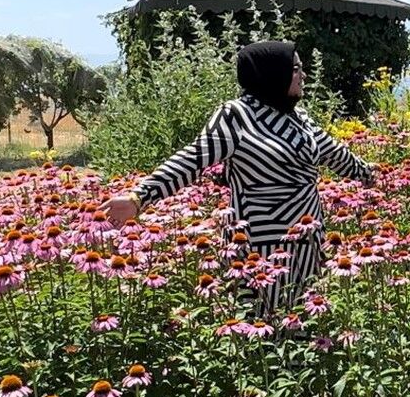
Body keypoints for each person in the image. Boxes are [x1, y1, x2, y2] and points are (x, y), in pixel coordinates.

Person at [101, 40, 374, 315]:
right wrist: (139, 198)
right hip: (261, 249)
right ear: (271, 73)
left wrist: (373, 176)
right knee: (265, 329)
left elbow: (336, 154)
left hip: (308, 243)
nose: (303, 75)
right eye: (295, 69)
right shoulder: (236, 116)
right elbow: (192, 159)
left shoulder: (298, 117)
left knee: (305, 326)